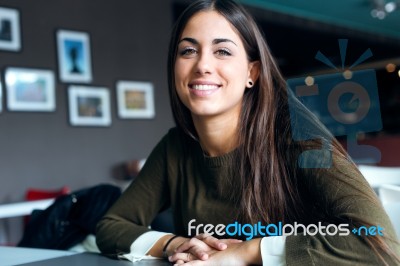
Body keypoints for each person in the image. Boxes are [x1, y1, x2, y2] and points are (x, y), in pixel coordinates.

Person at [96, 0, 400, 265]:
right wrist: (174, 244)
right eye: (188, 50)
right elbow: (111, 226)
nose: (202, 65)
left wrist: (246, 252)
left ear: (252, 73)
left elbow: (382, 246)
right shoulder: (176, 147)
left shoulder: (299, 138)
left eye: (223, 51)